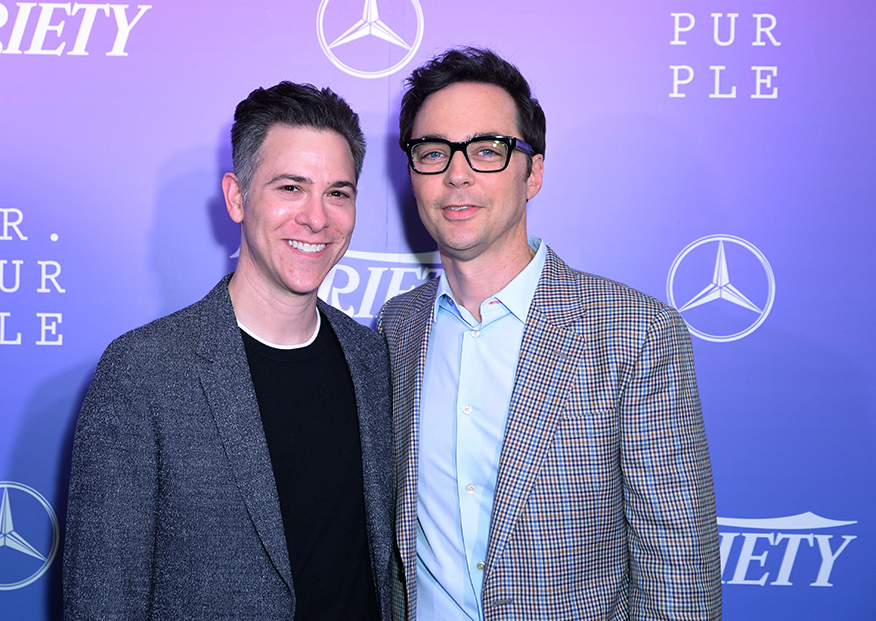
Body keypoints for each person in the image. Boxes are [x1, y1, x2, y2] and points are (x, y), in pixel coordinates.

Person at [378, 47, 721, 620]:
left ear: (533, 172)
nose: (457, 173)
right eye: (433, 152)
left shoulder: (634, 332)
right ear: (412, 173)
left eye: (487, 150)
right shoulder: (398, 326)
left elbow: (679, 567)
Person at [63, 82, 393, 620]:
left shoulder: (373, 361)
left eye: (338, 192)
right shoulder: (144, 373)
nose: (316, 217)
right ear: (237, 197)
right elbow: (102, 601)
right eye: (290, 188)